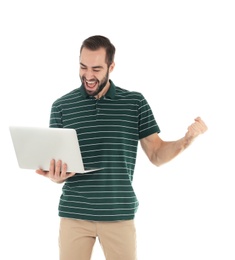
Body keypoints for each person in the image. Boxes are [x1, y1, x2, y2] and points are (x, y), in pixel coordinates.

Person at [36, 35, 208, 260]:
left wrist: (186, 140)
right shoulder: (61, 106)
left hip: (119, 214)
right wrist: (55, 176)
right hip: (74, 214)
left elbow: (156, 154)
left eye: (96, 69)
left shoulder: (134, 103)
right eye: (83, 66)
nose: (88, 75)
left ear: (111, 66)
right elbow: (59, 170)